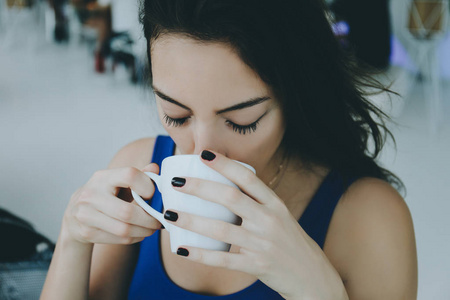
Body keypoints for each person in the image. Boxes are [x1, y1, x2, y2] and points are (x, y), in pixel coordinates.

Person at [41, 0, 418, 299]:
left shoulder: (370, 220)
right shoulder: (137, 172)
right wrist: (73, 237)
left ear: (296, 94)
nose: (201, 151)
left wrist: (319, 290)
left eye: (242, 121)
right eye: (176, 114)